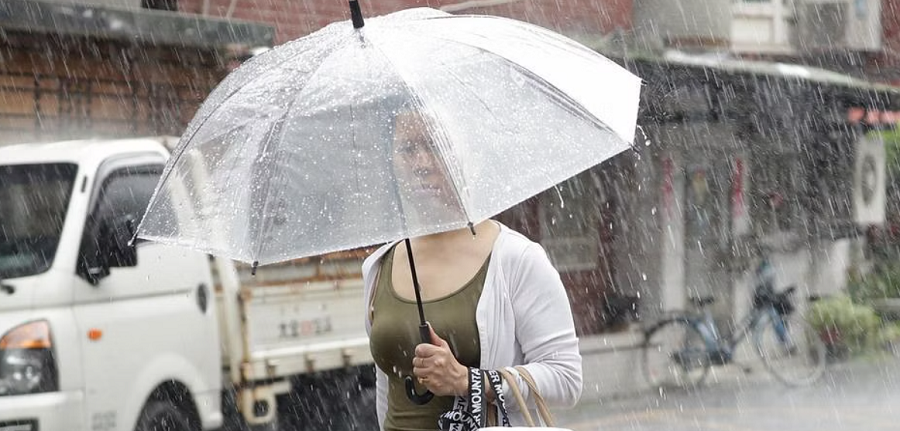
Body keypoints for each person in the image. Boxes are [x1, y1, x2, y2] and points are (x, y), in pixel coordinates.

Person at [363, 106, 582, 431]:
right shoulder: (380, 265)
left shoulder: (516, 260)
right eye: (408, 149)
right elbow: (388, 391)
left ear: (469, 154)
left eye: (435, 146)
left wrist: (468, 381)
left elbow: (566, 379)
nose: (421, 163)